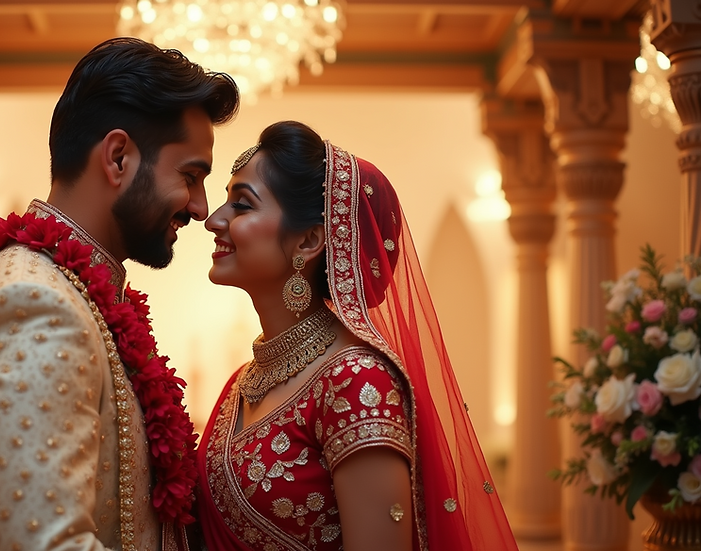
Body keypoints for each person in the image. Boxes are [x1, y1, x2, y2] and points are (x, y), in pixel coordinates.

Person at [0, 37, 239, 551]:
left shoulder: (73, 292)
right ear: (118, 157)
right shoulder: (33, 305)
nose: (200, 207)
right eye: (189, 176)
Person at [197, 121, 518, 550]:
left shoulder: (356, 380)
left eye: (241, 205)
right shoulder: (241, 384)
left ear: (309, 240)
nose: (213, 219)